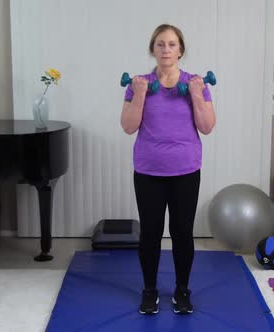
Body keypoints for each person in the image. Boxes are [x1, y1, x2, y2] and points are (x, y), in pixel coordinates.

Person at [120, 24, 216, 315]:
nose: (166, 50)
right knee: (150, 232)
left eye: (172, 44)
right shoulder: (138, 84)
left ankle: (182, 291)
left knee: (182, 232)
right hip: (149, 170)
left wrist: (197, 95)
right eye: (160, 44)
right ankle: (149, 291)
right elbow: (128, 127)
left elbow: (207, 127)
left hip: (186, 170)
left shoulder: (197, 83)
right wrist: (138, 94)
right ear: (153, 49)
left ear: (180, 50)